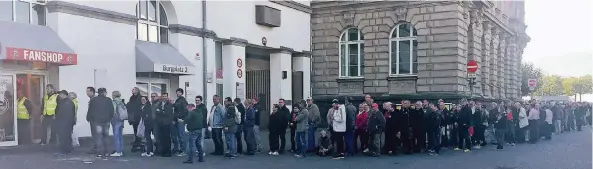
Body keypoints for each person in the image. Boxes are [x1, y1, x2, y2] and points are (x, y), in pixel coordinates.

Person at [87, 88, 115, 158]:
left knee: (98, 137)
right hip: (106, 121)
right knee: (106, 136)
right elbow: (112, 110)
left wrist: (89, 118)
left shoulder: (94, 100)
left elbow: (90, 110)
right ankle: (107, 152)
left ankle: (100, 152)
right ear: (104, 92)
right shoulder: (108, 100)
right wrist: (109, 118)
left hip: (97, 121)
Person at [55, 90, 76, 155]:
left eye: (61, 94)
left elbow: (60, 112)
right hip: (68, 122)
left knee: (63, 136)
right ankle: (67, 150)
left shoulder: (65, 103)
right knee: (67, 136)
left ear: (65, 95)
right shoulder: (69, 102)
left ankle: (64, 150)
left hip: (63, 122)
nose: (60, 96)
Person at [155, 93, 174, 157]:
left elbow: (167, 113)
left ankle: (168, 152)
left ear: (167, 97)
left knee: (167, 138)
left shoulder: (169, 104)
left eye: (165, 96)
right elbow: (156, 112)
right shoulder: (159, 104)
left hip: (167, 123)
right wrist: (161, 112)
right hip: (160, 123)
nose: (164, 97)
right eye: (163, 96)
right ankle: (163, 151)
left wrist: (160, 111)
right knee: (162, 138)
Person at [172, 88, 188, 156]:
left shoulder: (183, 100)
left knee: (181, 135)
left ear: (182, 93)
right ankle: (180, 149)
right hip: (176, 119)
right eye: (177, 92)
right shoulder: (178, 100)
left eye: (179, 92)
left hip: (180, 120)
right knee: (178, 135)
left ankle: (183, 150)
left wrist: (183, 119)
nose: (178, 93)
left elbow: (185, 110)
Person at [127, 87, 143, 152]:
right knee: (135, 130)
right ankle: (137, 143)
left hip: (138, 116)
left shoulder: (140, 97)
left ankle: (138, 143)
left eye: (133, 90)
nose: (132, 91)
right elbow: (130, 105)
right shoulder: (132, 98)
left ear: (137, 91)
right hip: (133, 116)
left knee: (139, 130)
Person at [110, 91, 126, 157]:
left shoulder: (114, 102)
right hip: (121, 120)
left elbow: (113, 111)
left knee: (116, 136)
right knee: (120, 136)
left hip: (116, 120)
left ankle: (118, 151)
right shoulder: (122, 102)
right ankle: (121, 151)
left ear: (114, 95)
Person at [85, 87, 97, 154]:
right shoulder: (92, 99)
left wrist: (89, 116)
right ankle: (95, 147)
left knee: (95, 133)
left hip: (94, 119)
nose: (87, 93)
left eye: (88, 91)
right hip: (93, 119)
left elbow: (92, 110)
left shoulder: (94, 99)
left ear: (92, 92)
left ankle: (95, 147)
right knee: (94, 133)